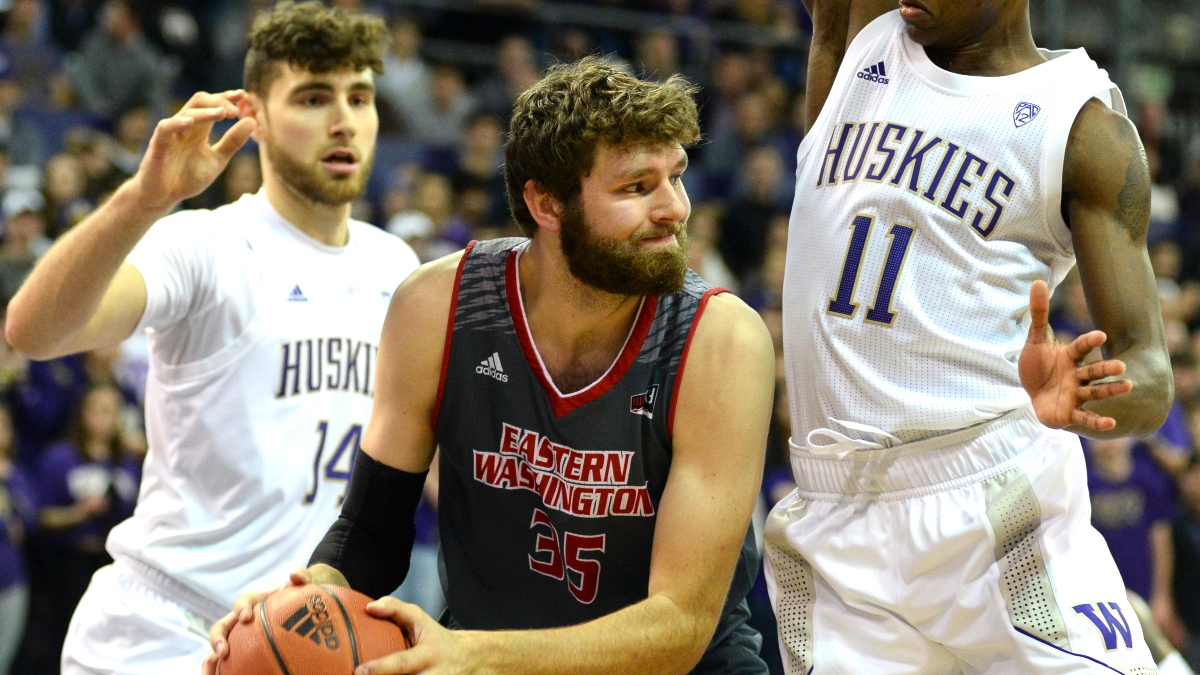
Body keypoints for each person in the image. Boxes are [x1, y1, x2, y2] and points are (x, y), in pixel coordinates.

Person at [209, 56, 778, 675]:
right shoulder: (437, 308)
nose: (674, 208)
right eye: (636, 187)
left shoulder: (720, 341)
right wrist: (299, 602)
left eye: (677, 177)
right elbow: (370, 534)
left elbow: (679, 628)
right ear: (547, 204)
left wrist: (470, 654)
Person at [4, 2, 418, 673]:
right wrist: (143, 198)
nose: (343, 120)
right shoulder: (206, 243)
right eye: (313, 97)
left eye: (359, 96)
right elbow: (34, 330)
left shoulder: (397, 266)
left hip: (296, 637)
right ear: (252, 113)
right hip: (164, 628)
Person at [767, 0, 1172, 672]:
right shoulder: (861, 32)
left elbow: (1150, 372)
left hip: (997, 497)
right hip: (836, 519)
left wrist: (1086, 393)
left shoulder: (1081, 124)